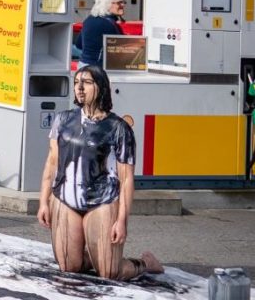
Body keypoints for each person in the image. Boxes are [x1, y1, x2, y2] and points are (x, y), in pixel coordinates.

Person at [36, 65, 162, 281]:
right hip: (65, 199)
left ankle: (145, 263)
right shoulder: (63, 120)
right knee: (68, 267)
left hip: (102, 201)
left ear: (101, 87)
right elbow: (51, 163)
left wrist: (122, 221)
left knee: (110, 273)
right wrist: (43, 202)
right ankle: (90, 257)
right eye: (76, 82)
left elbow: (126, 179)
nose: (80, 88)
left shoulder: (118, 128)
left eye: (86, 82)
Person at [77, 0, 126, 68]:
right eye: (119, 3)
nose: (123, 5)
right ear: (107, 4)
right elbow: (122, 50)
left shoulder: (89, 20)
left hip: (83, 65)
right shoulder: (108, 24)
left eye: (123, 2)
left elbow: (79, 44)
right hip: (98, 68)